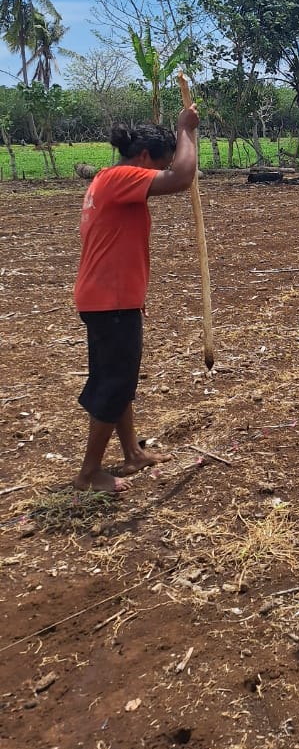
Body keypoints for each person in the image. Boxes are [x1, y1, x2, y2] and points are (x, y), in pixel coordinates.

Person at [72, 105, 200, 492]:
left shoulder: (107, 180)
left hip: (108, 298)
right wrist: (186, 131)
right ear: (144, 158)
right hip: (110, 301)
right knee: (113, 382)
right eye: (156, 165)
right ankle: (89, 473)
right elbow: (180, 176)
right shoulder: (123, 177)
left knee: (119, 379)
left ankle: (132, 453)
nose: (156, 173)